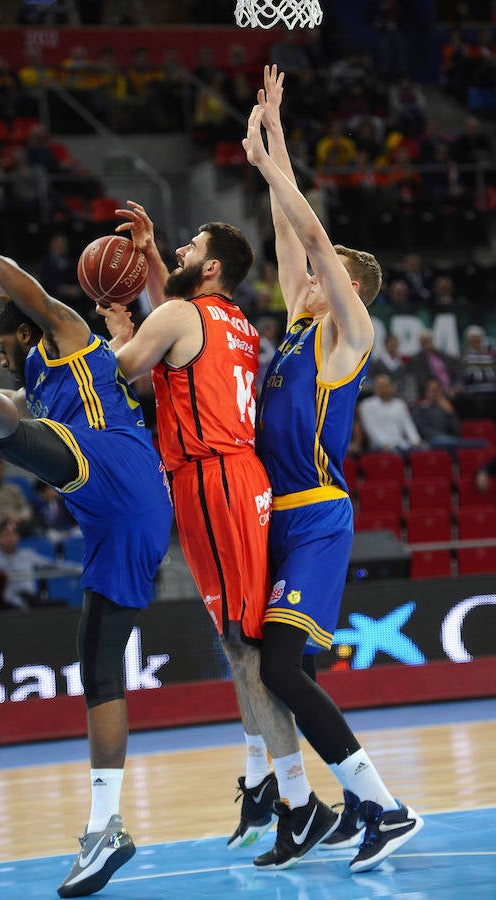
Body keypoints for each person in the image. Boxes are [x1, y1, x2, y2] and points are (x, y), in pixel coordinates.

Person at [0, 251, 172, 898]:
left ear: (26, 333)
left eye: (2, 345)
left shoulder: (67, 337)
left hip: (117, 467)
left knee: (14, 434)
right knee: (97, 668)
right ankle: (105, 827)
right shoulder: (39, 385)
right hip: (118, 518)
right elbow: (16, 405)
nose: (1, 352)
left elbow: (9, 274)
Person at [241, 64, 423, 873]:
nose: (307, 276)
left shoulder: (349, 336)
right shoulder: (295, 327)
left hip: (314, 512)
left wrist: (269, 161)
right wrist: (271, 133)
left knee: (280, 664)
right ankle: (353, 804)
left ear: (350, 288)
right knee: (292, 667)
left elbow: (311, 237)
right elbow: (290, 237)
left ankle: (383, 803)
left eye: (324, 273)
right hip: (276, 516)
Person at [101, 197, 303, 857]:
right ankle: (270, 787)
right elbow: (176, 316)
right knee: (237, 646)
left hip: (214, 479)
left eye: (187, 248)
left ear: (210, 267)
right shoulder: (231, 317)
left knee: (247, 652)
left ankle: (297, 799)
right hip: (225, 478)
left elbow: (125, 369)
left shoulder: (181, 313)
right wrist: (154, 254)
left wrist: (112, 326)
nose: (178, 254)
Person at [358, 373, 425, 454]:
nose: (383, 389)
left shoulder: (400, 404)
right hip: (379, 446)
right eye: (380, 386)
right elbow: (371, 427)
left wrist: (416, 441)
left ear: (391, 387)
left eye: (386, 386)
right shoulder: (366, 405)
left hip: (401, 443)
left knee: (423, 451)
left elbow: (408, 424)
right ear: (375, 388)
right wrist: (384, 444)